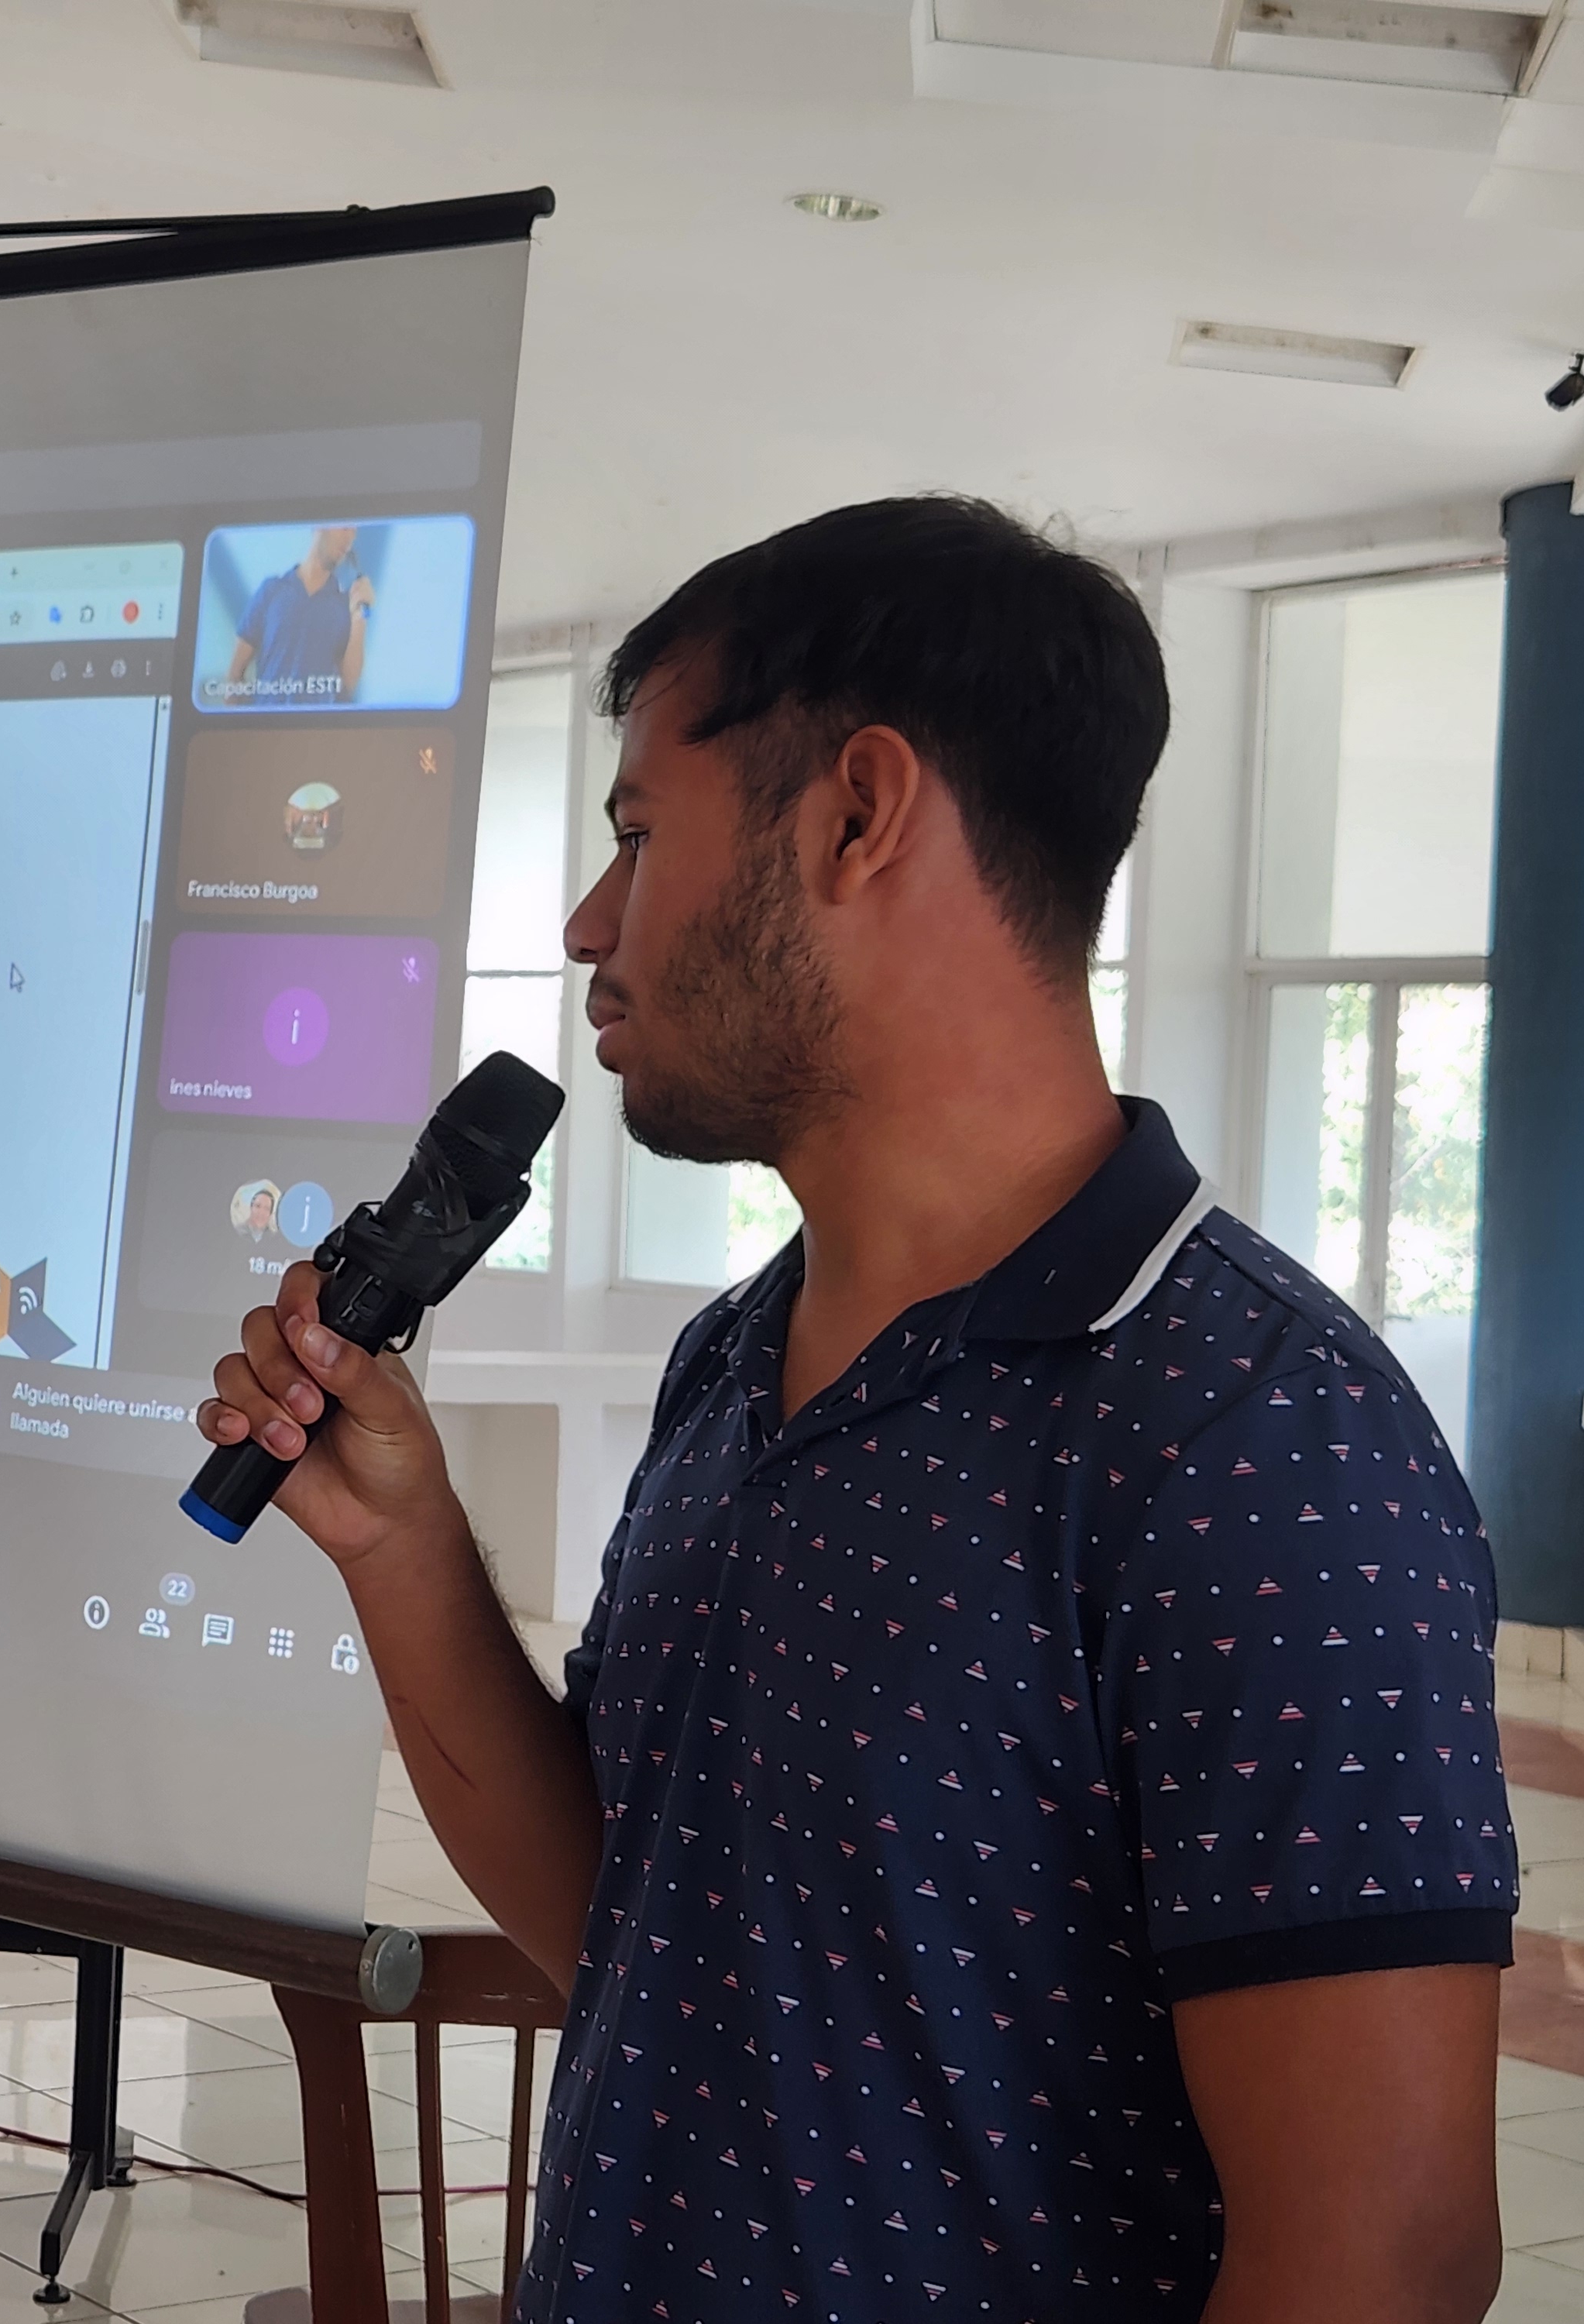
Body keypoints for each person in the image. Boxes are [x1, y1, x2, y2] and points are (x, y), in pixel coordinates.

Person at [198, 497, 1514, 2323]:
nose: (585, 923)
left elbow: (1380, 2258)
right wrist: (401, 1551)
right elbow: (632, 1929)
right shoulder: (733, 1361)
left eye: (635, 834)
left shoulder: (1255, 1440)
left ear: (856, 813)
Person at [225, 524, 374, 702]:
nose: (350, 539)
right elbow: (234, 675)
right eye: (345, 528)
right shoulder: (271, 591)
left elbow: (348, 686)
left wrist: (360, 618)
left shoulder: (345, 607)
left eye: (354, 532)